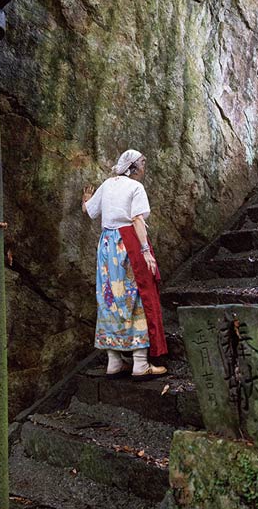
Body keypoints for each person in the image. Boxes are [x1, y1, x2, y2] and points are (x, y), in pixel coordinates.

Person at [82, 149, 168, 381]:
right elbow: (137, 219)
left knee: (110, 296)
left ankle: (114, 361)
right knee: (136, 295)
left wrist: (86, 200)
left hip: (107, 245)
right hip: (128, 242)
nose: (144, 166)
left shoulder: (108, 184)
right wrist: (145, 251)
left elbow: (89, 211)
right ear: (133, 167)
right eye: (142, 162)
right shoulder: (135, 188)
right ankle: (140, 363)